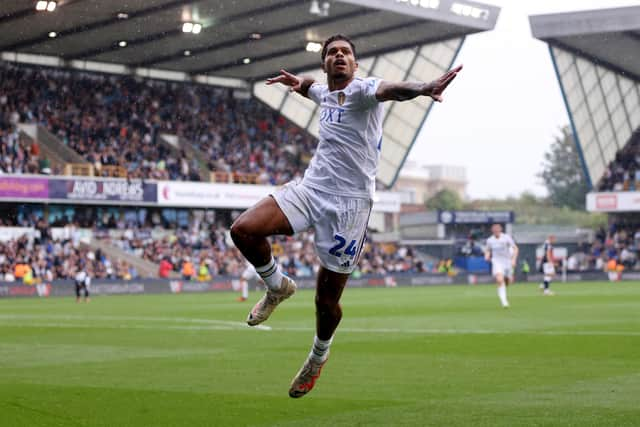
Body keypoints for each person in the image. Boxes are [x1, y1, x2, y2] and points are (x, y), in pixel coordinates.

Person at [230, 33, 462, 398]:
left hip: (351, 206)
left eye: (346, 53)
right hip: (311, 189)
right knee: (243, 230)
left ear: (355, 64)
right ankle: (277, 287)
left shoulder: (365, 89)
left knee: (326, 301)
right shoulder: (323, 91)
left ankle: (317, 356)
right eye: (332, 53)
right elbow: (313, 89)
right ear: (325, 63)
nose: (339, 56)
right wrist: (299, 83)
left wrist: (423, 87)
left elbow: (393, 90)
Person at [484, 224, 518, 308]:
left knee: (508, 281)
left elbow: (515, 248)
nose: (496, 231)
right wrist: (487, 255)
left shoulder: (506, 237)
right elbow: (488, 250)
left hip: (507, 261)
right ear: (492, 231)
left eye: (497, 230)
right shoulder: (490, 240)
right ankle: (504, 301)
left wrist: (513, 259)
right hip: (497, 261)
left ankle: (506, 280)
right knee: (499, 280)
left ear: (500, 230)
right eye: (494, 230)